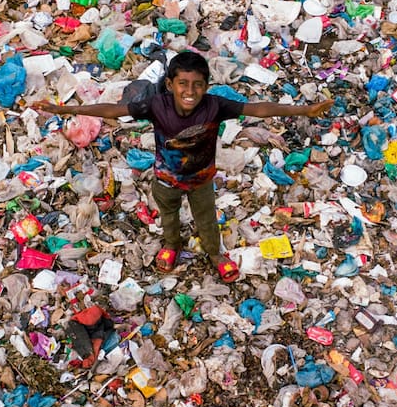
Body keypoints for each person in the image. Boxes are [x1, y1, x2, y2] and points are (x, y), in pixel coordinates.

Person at [34, 50, 333, 282]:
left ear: (206, 86)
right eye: (183, 84)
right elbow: (113, 109)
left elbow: (258, 109)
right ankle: (172, 245)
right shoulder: (156, 105)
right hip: (166, 180)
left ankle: (215, 254)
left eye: (198, 85)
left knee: (206, 219)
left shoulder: (215, 105)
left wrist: (305, 109)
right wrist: (64, 108)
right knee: (169, 216)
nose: (190, 91)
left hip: (201, 181)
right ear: (170, 85)